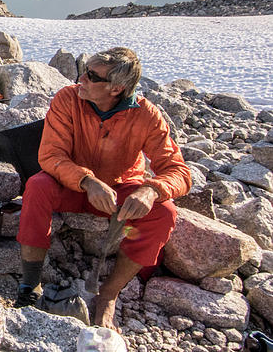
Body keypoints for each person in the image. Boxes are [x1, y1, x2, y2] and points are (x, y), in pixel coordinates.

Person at [14, 47, 191, 329]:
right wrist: (87, 180)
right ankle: (29, 284)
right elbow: (50, 156)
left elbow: (178, 171)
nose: (81, 79)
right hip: (72, 184)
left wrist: (152, 190)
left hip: (120, 190)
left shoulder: (146, 115)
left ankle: (109, 294)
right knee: (36, 186)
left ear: (116, 88)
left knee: (164, 214)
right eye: (85, 70)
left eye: (92, 76)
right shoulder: (68, 99)